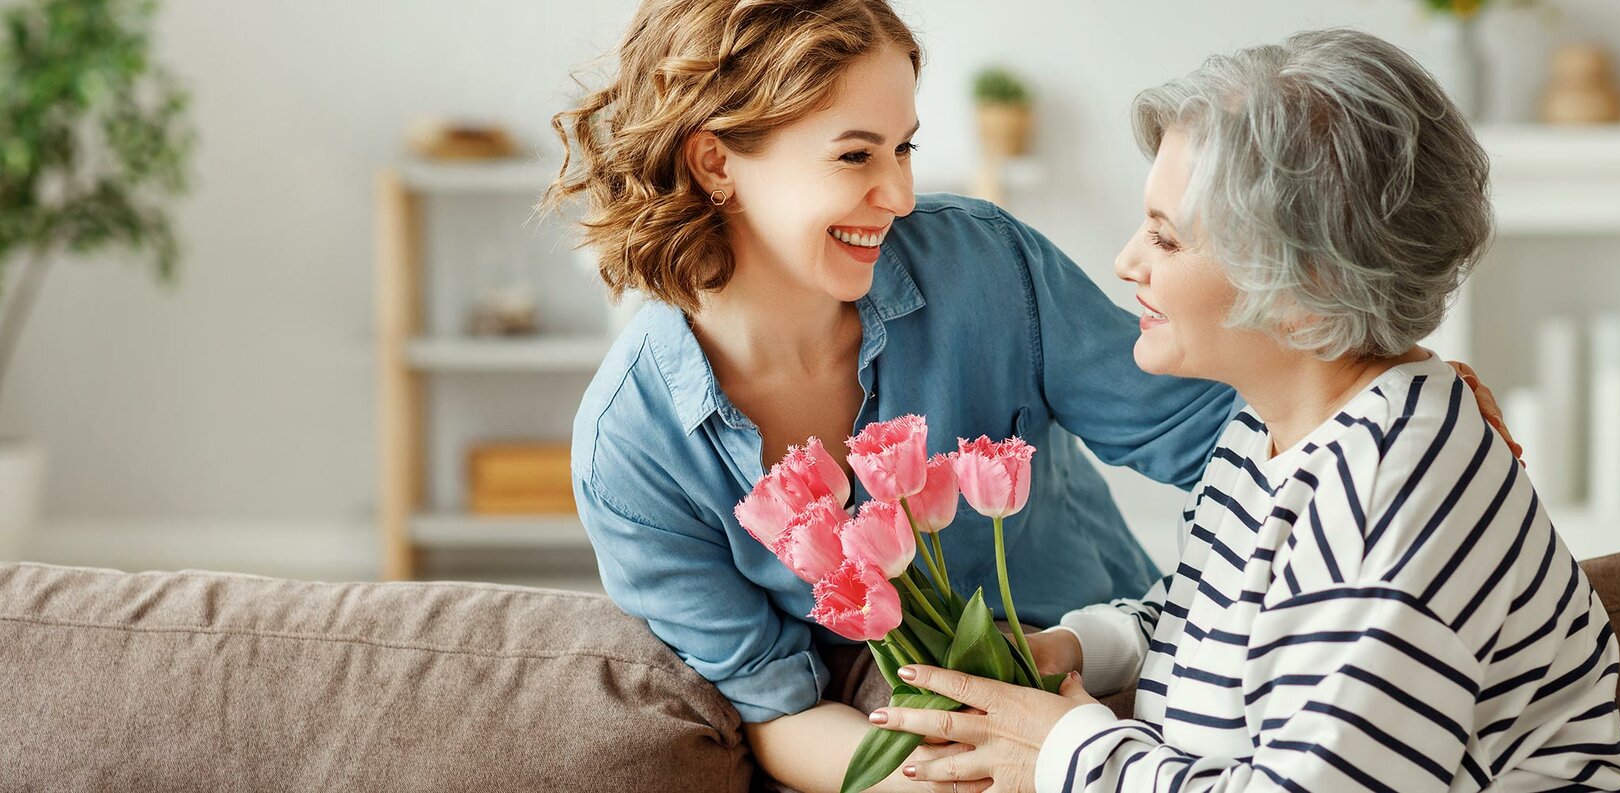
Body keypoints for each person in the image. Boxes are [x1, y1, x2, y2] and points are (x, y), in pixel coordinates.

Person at [545, 4, 1515, 790]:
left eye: (905, 149)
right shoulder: (631, 446)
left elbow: (1225, 432)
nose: (900, 194)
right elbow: (777, 708)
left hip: (1119, 669)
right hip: (900, 740)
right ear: (718, 162)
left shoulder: (981, 265)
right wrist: (940, 776)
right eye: (856, 156)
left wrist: (1367, 380)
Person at [870, 29, 1620, 793]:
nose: (1126, 262)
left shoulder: (1395, 492)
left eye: (1167, 239)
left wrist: (1068, 753)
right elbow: (1205, 614)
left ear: (1306, 298)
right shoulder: (1270, 427)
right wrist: (1073, 646)